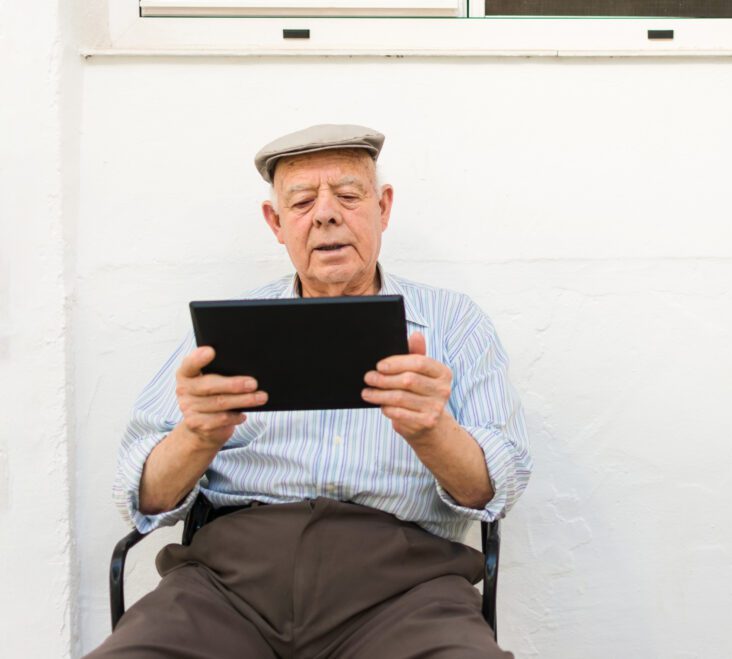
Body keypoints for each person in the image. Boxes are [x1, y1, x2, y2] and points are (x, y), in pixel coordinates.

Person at [87, 124, 532, 658]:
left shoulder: (454, 323)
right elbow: (141, 497)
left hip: (405, 589)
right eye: (301, 202)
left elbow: (495, 490)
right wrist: (198, 436)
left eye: (348, 195)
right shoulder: (227, 332)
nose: (325, 214)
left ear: (383, 208)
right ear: (276, 222)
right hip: (227, 586)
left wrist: (433, 431)